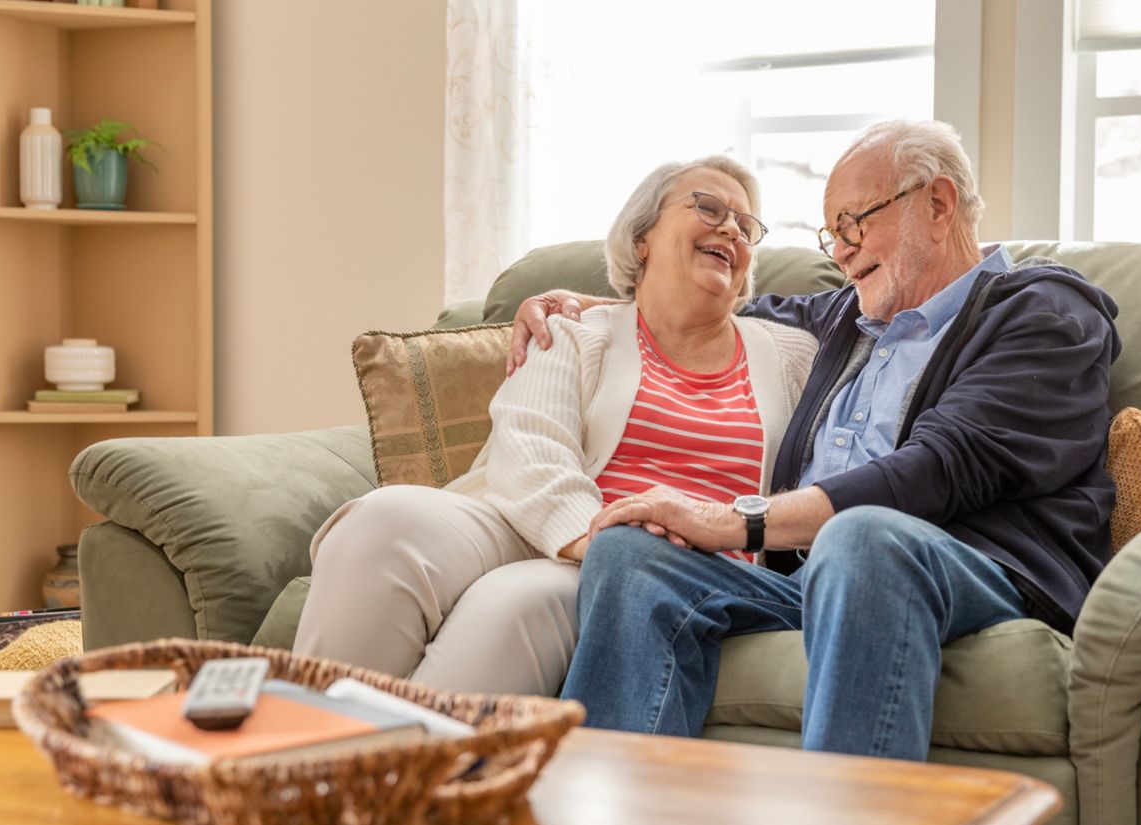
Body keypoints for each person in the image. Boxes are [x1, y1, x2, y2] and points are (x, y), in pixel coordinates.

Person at [509, 120, 1121, 758]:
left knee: (862, 537)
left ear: (937, 205)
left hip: (966, 567)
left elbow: (944, 467)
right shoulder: (846, 317)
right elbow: (702, 307)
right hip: (806, 581)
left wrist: (739, 521)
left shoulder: (1045, 311)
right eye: (834, 236)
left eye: (855, 223)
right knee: (630, 555)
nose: (843, 252)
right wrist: (575, 304)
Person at [293, 155, 816, 697]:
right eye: (708, 207)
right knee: (384, 520)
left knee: (512, 605)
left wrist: (621, 559)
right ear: (642, 238)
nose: (730, 227)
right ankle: (289, 755)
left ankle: (393, 775)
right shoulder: (572, 331)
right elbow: (530, 453)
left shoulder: (791, 354)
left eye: (745, 225)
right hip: (528, 524)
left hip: (663, 570)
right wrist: (602, 542)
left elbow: (889, 332)